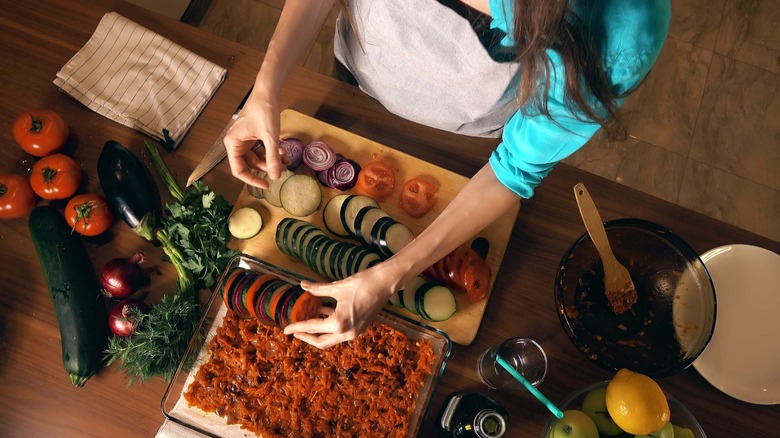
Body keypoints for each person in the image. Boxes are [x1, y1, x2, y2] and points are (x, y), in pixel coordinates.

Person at [223, 0, 671, 348]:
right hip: (362, 73)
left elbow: (513, 168)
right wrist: (265, 88)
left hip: (466, 129)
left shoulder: (618, 27)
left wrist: (390, 276)